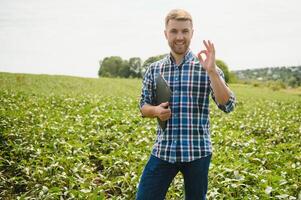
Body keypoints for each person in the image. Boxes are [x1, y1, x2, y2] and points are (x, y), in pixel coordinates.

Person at [136, 9, 236, 200]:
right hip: (164, 150)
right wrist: (156, 111)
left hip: (197, 152)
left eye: (184, 31)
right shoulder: (154, 69)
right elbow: (143, 106)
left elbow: (227, 105)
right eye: (174, 31)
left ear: (192, 33)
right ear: (166, 34)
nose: (179, 37)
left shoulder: (207, 67)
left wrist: (212, 72)